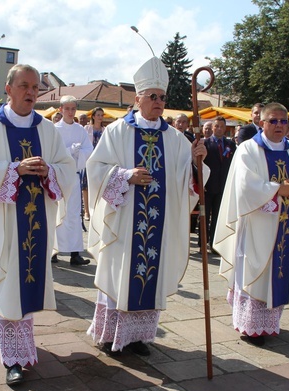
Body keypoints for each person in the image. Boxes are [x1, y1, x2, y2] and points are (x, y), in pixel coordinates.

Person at [0, 64, 77, 386]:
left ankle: (22, 351)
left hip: (36, 221)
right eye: (24, 86)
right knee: (9, 283)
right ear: (8, 89)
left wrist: (48, 171)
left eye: (35, 88)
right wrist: (13, 170)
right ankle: (12, 358)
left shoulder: (46, 129)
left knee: (24, 285)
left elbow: (67, 168)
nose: (31, 93)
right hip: (4, 222)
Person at [86, 56, 208, 356]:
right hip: (124, 223)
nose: (158, 102)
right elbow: (96, 169)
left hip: (158, 223)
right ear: (137, 98)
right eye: (152, 96)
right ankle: (112, 336)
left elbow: (188, 181)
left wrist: (196, 162)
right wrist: (125, 175)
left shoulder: (176, 139)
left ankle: (138, 336)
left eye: (162, 97)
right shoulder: (118, 132)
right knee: (120, 275)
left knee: (147, 276)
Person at [213, 103, 289, 346]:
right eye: (273, 121)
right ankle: (250, 325)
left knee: (279, 271)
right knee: (256, 271)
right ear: (261, 123)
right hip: (257, 225)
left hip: (287, 224)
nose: (279, 126)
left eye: (284, 121)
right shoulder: (249, 150)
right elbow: (244, 187)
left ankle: (269, 324)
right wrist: (277, 190)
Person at [53, 95, 93, 265]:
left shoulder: (80, 130)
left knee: (74, 215)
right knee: (57, 213)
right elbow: (52, 152)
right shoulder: (54, 129)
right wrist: (70, 151)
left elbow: (89, 150)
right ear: (60, 110)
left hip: (74, 177)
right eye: (67, 108)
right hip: (58, 177)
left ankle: (75, 253)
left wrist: (79, 154)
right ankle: (53, 251)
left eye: (73, 108)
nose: (70, 112)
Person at [203, 116, 236, 250]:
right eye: (217, 126)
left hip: (223, 186)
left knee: (218, 216)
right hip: (208, 185)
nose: (219, 129)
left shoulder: (230, 144)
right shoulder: (206, 143)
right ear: (212, 127)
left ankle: (215, 244)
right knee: (204, 216)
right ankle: (203, 243)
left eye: (222, 126)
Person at [83, 107, 106, 221]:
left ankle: (97, 210)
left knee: (99, 186)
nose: (100, 117)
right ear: (93, 116)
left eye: (102, 115)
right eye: (98, 115)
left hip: (100, 161)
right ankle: (86, 211)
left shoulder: (105, 130)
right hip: (88, 161)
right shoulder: (86, 128)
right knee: (86, 187)